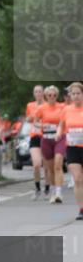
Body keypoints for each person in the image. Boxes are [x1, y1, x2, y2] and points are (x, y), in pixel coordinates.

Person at [56, 82, 83, 221]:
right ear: (70, 96)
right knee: (77, 179)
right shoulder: (66, 110)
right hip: (72, 147)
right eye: (73, 94)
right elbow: (61, 125)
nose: (76, 96)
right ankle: (81, 209)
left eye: (78, 93)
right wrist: (58, 133)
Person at [38, 85, 67, 204]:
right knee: (50, 168)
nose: (52, 97)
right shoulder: (41, 108)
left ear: (57, 95)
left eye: (54, 95)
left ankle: (59, 193)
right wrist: (42, 125)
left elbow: (66, 120)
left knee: (58, 165)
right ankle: (53, 191)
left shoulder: (62, 107)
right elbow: (34, 122)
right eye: (49, 95)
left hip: (59, 138)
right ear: (46, 96)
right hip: (46, 139)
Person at [25, 85, 46, 200]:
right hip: (34, 136)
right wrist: (30, 118)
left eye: (40, 91)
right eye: (36, 92)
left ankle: (48, 187)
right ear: (34, 94)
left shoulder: (48, 105)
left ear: (43, 93)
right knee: (36, 164)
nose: (38, 93)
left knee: (47, 166)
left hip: (47, 136)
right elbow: (28, 119)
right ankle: (38, 188)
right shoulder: (30, 105)